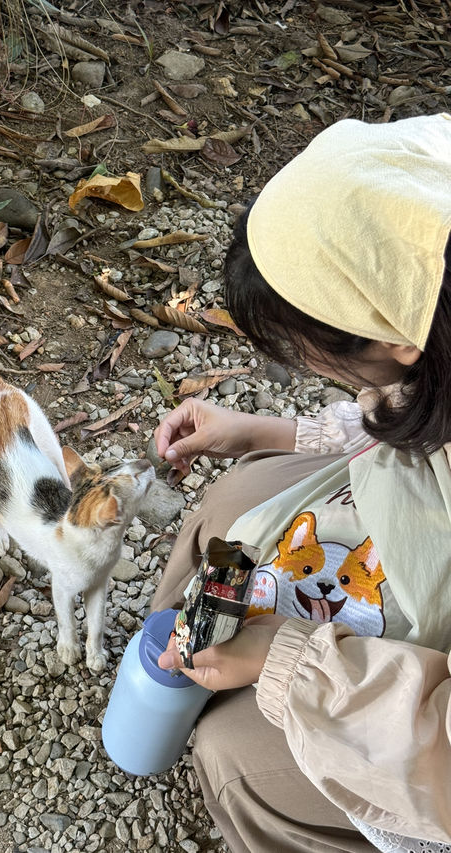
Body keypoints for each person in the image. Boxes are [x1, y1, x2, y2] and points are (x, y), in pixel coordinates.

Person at [150, 112, 451, 853]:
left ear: (395, 333)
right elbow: (410, 408)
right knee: (234, 504)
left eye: (302, 343)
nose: (300, 362)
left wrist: (288, 659)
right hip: (413, 526)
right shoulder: (429, 268)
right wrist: (265, 432)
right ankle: (180, 659)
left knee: (236, 760)